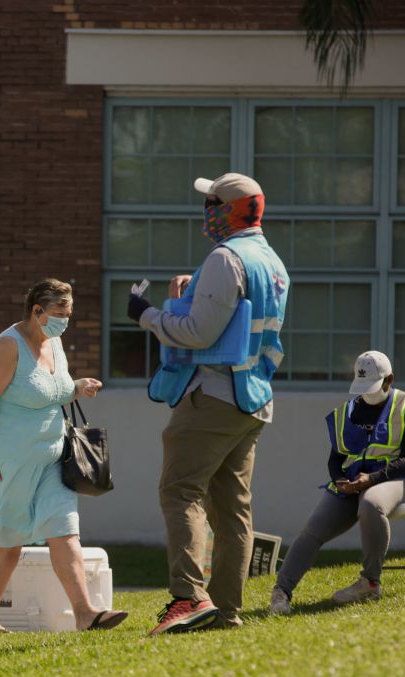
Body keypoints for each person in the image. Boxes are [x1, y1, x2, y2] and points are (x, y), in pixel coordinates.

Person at [128, 172, 290, 636]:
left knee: (180, 492)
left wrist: (148, 315)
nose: (205, 211)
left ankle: (188, 599)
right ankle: (226, 612)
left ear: (229, 210)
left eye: (211, 202)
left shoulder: (225, 257)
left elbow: (200, 334)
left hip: (213, 397)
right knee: (232, 509)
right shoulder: (272, 261)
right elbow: (231, 323)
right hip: (252, 398)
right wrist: (190, 295)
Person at [0, 279, 128, 633]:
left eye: (68, 314)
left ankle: (85, 613)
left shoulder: (54, 342)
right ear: (37, 311)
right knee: (8, 539)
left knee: (65, 529)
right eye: (59, 314)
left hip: (54, 457)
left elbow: (50, 390)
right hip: (8, 460)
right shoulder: (8, 347)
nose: (64, 321)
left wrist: (77, 387)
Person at [270, 352, 405, 613]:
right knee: (314, 527)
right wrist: (339, 480)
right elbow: (335, 459)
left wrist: (372, 479)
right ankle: (281, 591)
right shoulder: (351, 410)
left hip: (400, 482)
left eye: (374, 387)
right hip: (355, 482)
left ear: (390, 380)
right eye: (363, 388)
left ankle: (370, 583)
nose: (368, 394)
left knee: (371, 503)